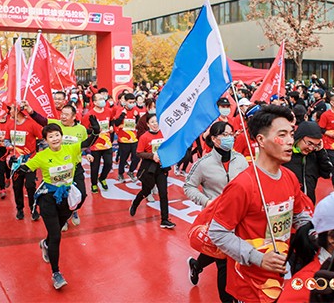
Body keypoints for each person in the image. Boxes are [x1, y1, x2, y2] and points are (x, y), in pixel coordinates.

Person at [208, 105, 312, 302]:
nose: (291, 141)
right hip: (249, 284)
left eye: (291, 134)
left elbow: (299, 215)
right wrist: (258, 258)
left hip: (280, 276)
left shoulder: (290, 177)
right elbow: (218, 233)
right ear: (261, 140)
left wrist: (313, 233)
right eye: (282, 135)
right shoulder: (243, 185)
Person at [184, 121, 248, 302]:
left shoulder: (241, 160)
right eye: (224, 135)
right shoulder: (203, 164)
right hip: (216, 219)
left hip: (240, 217)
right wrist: (207, 201)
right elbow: (189, 186)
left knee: (220, 252)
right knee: (224, 263)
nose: (229, 138)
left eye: (231, 134)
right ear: (214, 139)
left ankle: (196, 265)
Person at [21, 123, 81, 290]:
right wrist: (17, 164)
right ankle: (56, 273)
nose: (54, 139)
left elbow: (88, 143)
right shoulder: (41, 156)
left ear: (61, 136)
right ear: (45, 140)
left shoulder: (71, 149)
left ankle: (45, 244)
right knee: (56, 236)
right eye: (50, 136)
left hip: (65, 198)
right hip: (47, 199)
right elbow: (26, 168)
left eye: (57, 135)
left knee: (57, 230)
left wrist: (96, 132)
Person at [25, 102, 98, 227]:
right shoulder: (56, 125)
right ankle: (62, 218)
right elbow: (41, 120)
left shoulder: (81, 129)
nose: (63, 116)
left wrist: (88, 153)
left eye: (66, 115)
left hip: (75, 167)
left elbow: (85, 144)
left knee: (82, 194)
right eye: (62, 114)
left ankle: (72, 210)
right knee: (59, 195)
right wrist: (30, 110)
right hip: (57, 168)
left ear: (74, 117)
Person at [129, 113, 176, 229]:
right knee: (146, 190)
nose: (155, 124)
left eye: (157, 121)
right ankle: (135, 203)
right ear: (148, 124)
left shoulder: (164, 134)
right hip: (149, 168)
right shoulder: (144, 137)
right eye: (152, 122)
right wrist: (151, 156)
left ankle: (164, 219)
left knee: (163, 193)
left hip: (162, 167)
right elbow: (139, 153)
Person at [4, 104, 44, 221]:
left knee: (30, 186)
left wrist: (40, 154)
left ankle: (33, 209)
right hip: (16, 161)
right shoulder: (10, 124)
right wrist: (9, 147)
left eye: (11, 109)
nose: (9, 111)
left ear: (18, 110)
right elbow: (6, 140)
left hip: (30, 161)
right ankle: (19, 209)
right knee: (17, 186)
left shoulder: (32, 124)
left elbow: (42, 139)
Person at [284, 121, 334, 204]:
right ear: (299, 138)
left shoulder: (315, 154)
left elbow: (327, 173)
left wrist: (321, 151)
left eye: (315, 145)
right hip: (288, 204)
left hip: (308, 204)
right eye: (309, 143)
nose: (311, 148)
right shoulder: (284, 154)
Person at [82, 92, 113, 193]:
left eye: (103, 98)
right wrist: (95, 131)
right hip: (94, 145)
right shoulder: (89, 115)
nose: (103, 100)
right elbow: (84, 130)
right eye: (100, 99)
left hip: (107, 143)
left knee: (109, 164)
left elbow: (111, 121)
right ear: (95, 102)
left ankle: (102, 178)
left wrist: (111, 126)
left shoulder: (109, 111)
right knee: (95, 167)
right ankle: (94, 184)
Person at [112, 93, 141, 182]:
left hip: (134, 139)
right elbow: (116, 123)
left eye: (133, 102)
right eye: (130, 102)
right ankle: (120, 174)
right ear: (125, 102)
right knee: (123, 158)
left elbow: (139, 123)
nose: (132, 104)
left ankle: (131, 171)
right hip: (123, 140)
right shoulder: (120, 110)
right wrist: (122, 115)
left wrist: (137, 116)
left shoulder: (136, 110)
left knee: (137, 157)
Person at [317, 94, 334, 193]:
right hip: (329, 144)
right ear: (332, 102)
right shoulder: (326, 115)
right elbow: (320, 129)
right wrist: (330, 134)